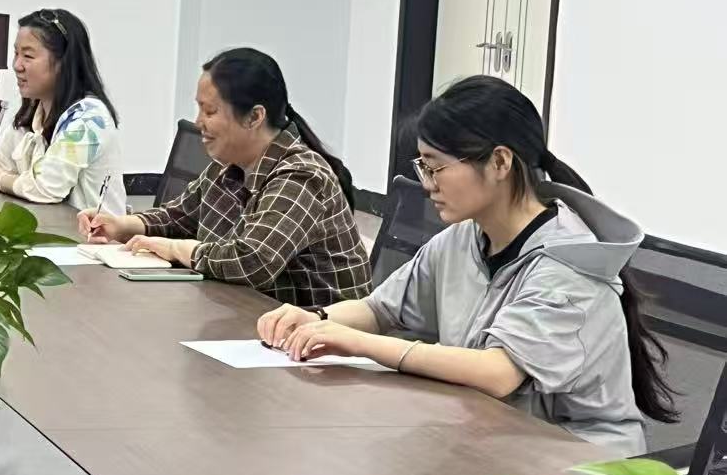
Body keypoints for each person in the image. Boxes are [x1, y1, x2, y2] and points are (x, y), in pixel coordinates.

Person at [257, 75, 676, 454]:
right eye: (422, 166)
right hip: (493, 437)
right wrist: (317, 318)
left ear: (499, 162)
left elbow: (498, 374)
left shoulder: (568, 266)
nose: (427, 184)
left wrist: (360, 344)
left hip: (580, 466)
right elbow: (381, 309)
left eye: (436, 167)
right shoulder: (463, 238)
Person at [80, 48, 370, 305]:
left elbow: (253, 260)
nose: (198, 122)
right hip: (246, 315)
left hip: (315, 334)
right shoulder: (229, 164)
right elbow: (180, 217)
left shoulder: (301, 175)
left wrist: (177, 249)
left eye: (210, 111)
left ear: (254, 117)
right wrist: (121, 225)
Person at [0, 8, 125, 213]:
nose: (17, 65)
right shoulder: (35, 109)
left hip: (91, 233)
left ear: (63, 62)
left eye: (28, 56)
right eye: (16, 53)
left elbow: (46, 188)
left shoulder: (89, 119)